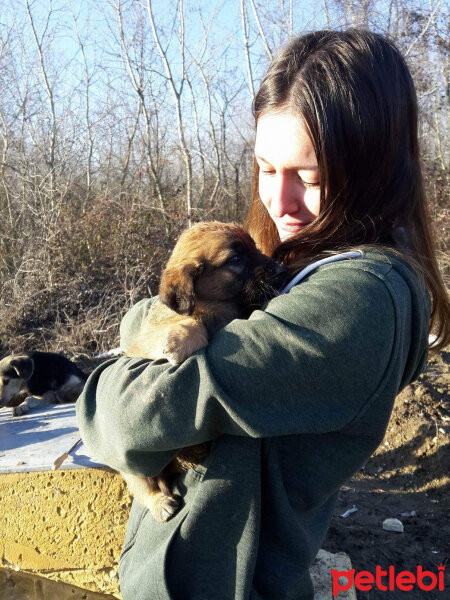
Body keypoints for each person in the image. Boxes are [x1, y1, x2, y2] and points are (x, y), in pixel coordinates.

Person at [76, 29, 450, 600]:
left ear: (375, 166)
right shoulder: (297, 266)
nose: (279, 203)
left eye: (309, 175)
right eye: (265, 168)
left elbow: (124, 422)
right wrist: (154, 321)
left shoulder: (365, 296)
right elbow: (159, 322)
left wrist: (142, 341)